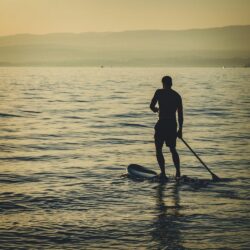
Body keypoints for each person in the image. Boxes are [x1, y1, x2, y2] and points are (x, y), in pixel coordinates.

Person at [150, 76, 183, 180]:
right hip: (172, 125)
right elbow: (180, 115)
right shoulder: (177, 95)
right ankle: (178, 173)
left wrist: (156, 110)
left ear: (163, 83)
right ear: (171, 83)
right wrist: (180, 129)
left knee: (159, 149)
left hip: (162, 124)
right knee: (173, 149)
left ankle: (163, 173)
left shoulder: (159, 92)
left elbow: (151, 106)